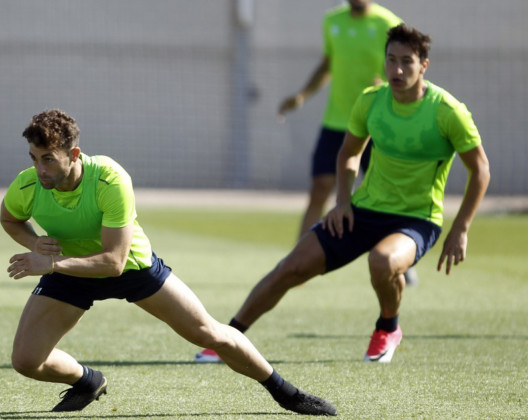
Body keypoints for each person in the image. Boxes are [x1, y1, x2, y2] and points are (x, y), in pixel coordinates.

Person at [0, 109, 337, 415]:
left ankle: (285, 393)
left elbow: (114, 262)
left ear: (74, 155)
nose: (39, 169)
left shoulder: (109, 180)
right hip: (70, 270)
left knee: (209, 333)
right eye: (33, 158)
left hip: (131, 268)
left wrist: (53, 264)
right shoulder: (28, 184)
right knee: (26, 360)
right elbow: (10, 218)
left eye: (48, 159)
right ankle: (87, 381)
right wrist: (35, 244)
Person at [196, 24, 490, 364]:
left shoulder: (447, 111)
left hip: (417, 218)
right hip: (362, 211)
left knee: (382, 262)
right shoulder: (370, 101)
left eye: (406, 62)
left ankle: (387, 327)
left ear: (424, 65)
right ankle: (229, 339)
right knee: (289, 268)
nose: (396, 70)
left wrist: (462, 228)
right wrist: (342, 202)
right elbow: (349, 154)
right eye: (390, 60)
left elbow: (480, 169)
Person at [277, 1, 419, 287]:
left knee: (388, 194)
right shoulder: (332, 21)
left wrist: (391, 85)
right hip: (337, 122)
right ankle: (297, 260)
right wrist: (303, 95)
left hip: (376, 123)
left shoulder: (388, 24)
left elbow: (405, 65)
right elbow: (329, 63)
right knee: (319, 188)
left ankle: (403, 258)